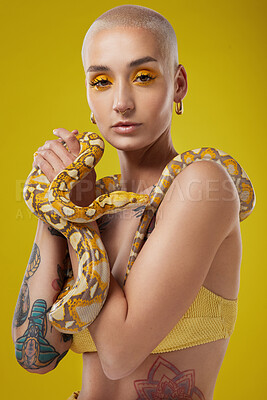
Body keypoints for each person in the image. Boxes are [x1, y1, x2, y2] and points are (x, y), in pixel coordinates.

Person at [12, 5, 255, 400]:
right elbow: (35, 355)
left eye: (143, 77)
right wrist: (54, 204)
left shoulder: (203, 183)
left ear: (177, 84)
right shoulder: (92, 200)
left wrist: (74, 215)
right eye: (102, 81)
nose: (121, 102)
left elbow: (119, 354)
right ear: (89, 95)